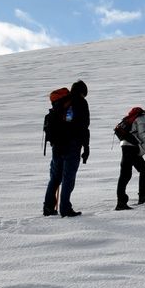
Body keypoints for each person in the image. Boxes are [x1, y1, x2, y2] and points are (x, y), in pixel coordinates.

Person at [43, 79, 90, 217]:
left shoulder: (61, 103)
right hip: (72, 145)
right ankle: (65, 208)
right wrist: (86, 147)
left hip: (56, 145)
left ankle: (48, 208)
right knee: (68, 177)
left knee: (55, 178)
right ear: (83, 92)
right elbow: (83, 127)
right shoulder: (80, 102)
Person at [114, 105, 145, 210]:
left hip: (129, 146)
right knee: (127, 174)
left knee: (138, 171)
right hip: (130, 147)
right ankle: (124, 202)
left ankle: (136, 199)